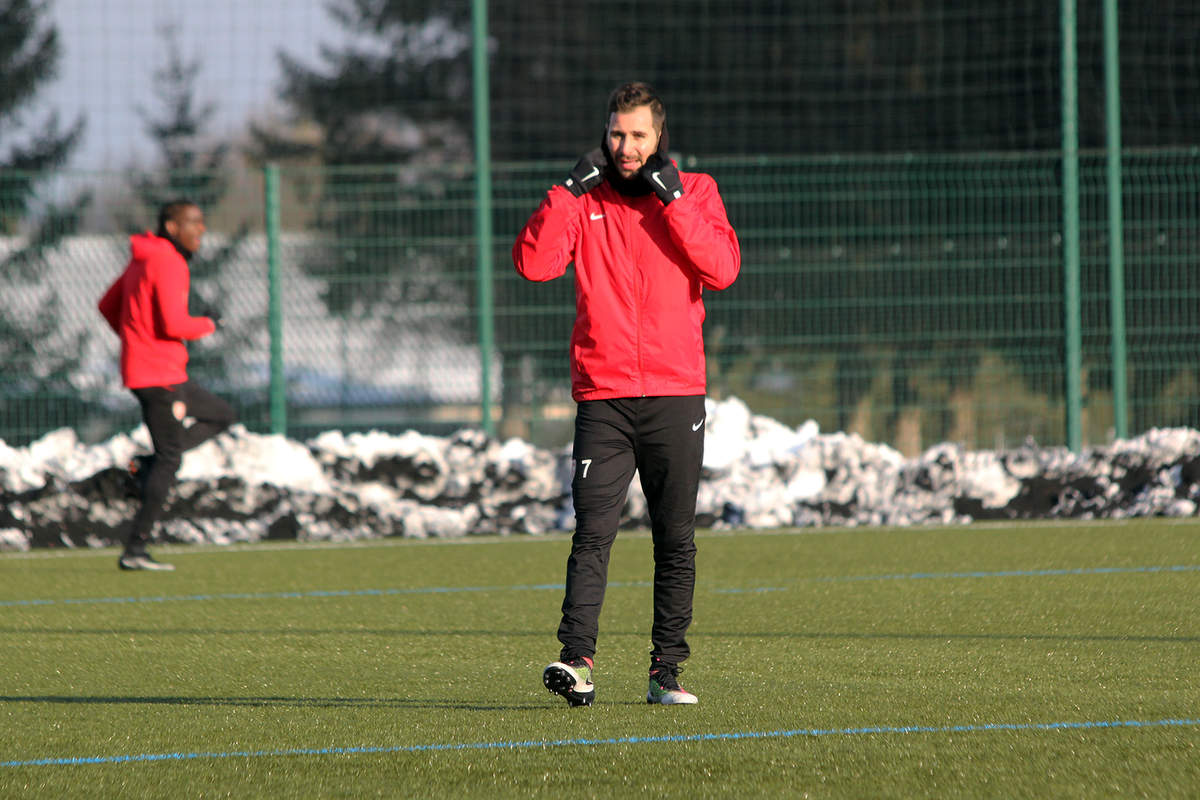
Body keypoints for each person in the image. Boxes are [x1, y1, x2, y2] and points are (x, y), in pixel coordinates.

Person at [513, 82, 741, 706]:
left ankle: (665, 672)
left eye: (638, 134)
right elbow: (534, 264)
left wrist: (674, 203)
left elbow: (722, 269)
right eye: (617, 133)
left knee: (675, 538)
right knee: (592, 534)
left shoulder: (696, 191)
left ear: (658, 137)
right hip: (604, 396)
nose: (626, 146)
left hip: (675, 393)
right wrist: (565, 192)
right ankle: (577, 663)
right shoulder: (584, 199)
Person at [98, 200, 235, 571]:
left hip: (157, 371)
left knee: (221, 415)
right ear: (172, 228)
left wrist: (136, 340)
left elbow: (108, 305)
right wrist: (209, 324)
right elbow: (174, 325)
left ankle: (145, 468)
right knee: (170, 458)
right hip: (159, 375)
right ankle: (135, 550)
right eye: (194, 223)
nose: (201, 230)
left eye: (202, 223)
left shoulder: (143, 257)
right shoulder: (169, 260)